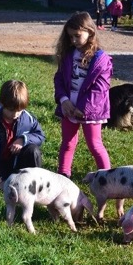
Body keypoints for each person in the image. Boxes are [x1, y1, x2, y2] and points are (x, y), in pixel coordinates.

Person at [53, 11, 112, 178]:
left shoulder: (101, 59)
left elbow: (100, 88)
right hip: (68, 107)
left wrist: (83, 108)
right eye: (70, 36)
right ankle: (63, 176)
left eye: (77, 36)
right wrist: (64, 100)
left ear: (90, 32)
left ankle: (107, 178)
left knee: (94, 145)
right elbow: (59, 79)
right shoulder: (68, 55)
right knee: (67, 143)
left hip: (90, 110)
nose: (73, 40)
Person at [0, 80, 45, 188]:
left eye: (19, 110)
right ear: (1, 103)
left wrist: (23, 139)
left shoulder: (27, 119)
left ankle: (34, 185)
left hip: (17, 163)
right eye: (10, 110)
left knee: (33, 151)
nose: (15, 114)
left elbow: (39, 135)